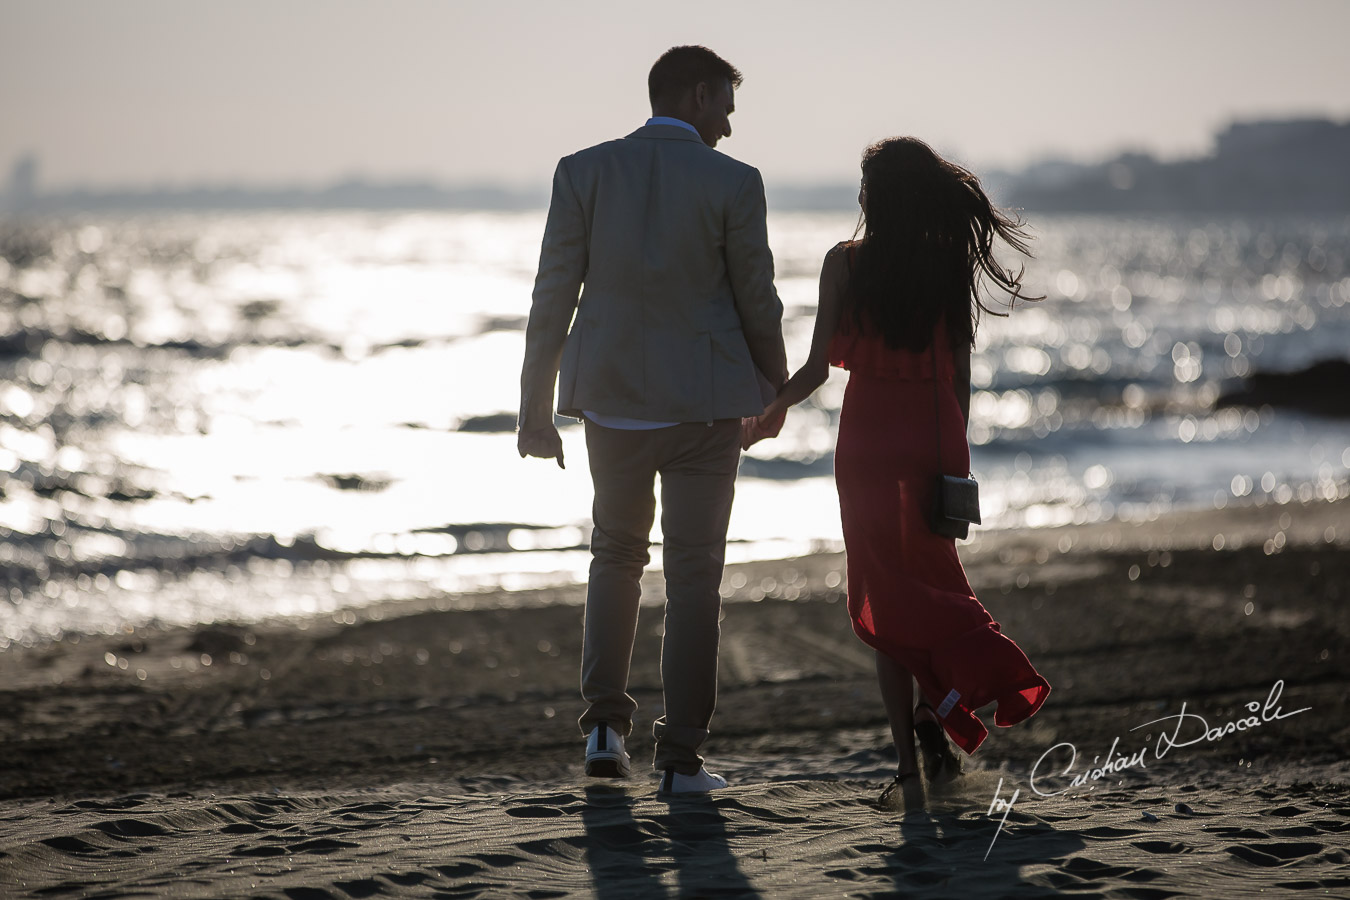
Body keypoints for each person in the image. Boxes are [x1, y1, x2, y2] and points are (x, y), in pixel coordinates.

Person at [744, 137, 1051, 809]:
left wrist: (773, 412)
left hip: (867, 448)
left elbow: (818, 369)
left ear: (875, 199)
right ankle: (932, 712)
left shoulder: (844, 265)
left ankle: (910, 770)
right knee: (929, 586)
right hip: (931, 444)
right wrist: (954, 460)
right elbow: (961, 375)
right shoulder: (944, 266)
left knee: (886, 601)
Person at [517, 46, 787, 795]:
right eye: (726, 106)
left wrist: (534, 411)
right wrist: (775, 387)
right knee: (694, 575)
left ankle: (604, 729)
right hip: (705, 406)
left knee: (615, 556)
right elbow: (756, 300)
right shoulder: (734, 182)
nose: (729, 126)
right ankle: (681, 760)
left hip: (612, 403)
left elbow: (552, 297)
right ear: (699, 94)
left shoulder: (584, 171)